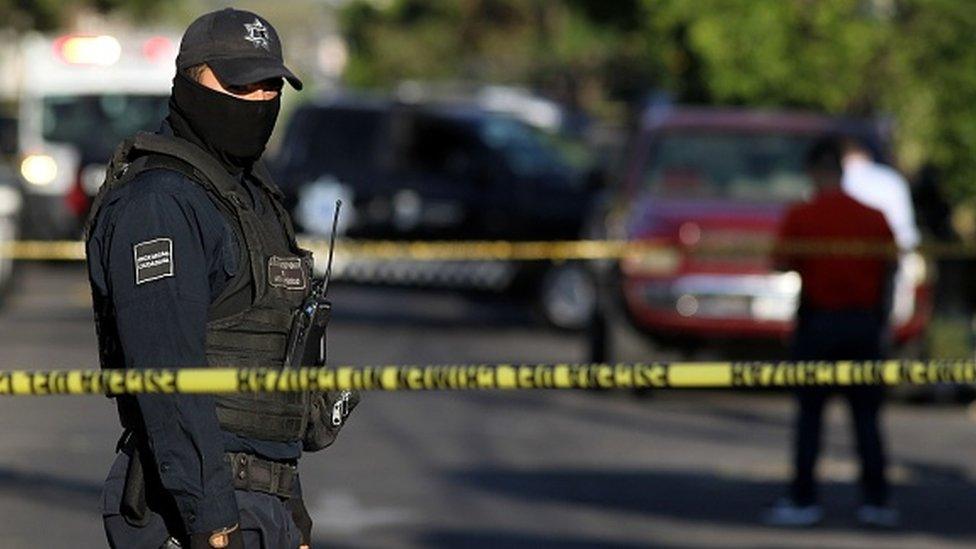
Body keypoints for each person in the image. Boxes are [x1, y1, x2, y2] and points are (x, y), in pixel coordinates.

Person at [85, 8, 346, 549]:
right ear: (189, 81)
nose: (256, 99)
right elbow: (169, 378)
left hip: (262, 501)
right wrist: (213, 525)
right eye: (238, 83)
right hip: (194, 506)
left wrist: (290, 509)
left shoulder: (249, 193)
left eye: (269, 85)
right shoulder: (160, 203)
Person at [763, 135, 899, 528]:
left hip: (818, 323)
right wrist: (882, 320)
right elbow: (890, 270)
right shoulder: (874, 217)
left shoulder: (804, 215)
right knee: (867, 419)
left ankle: (804, 499)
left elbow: (780, 263)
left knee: (810, 418)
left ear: (815, 172)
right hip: (864, 324)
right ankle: (877, 502)